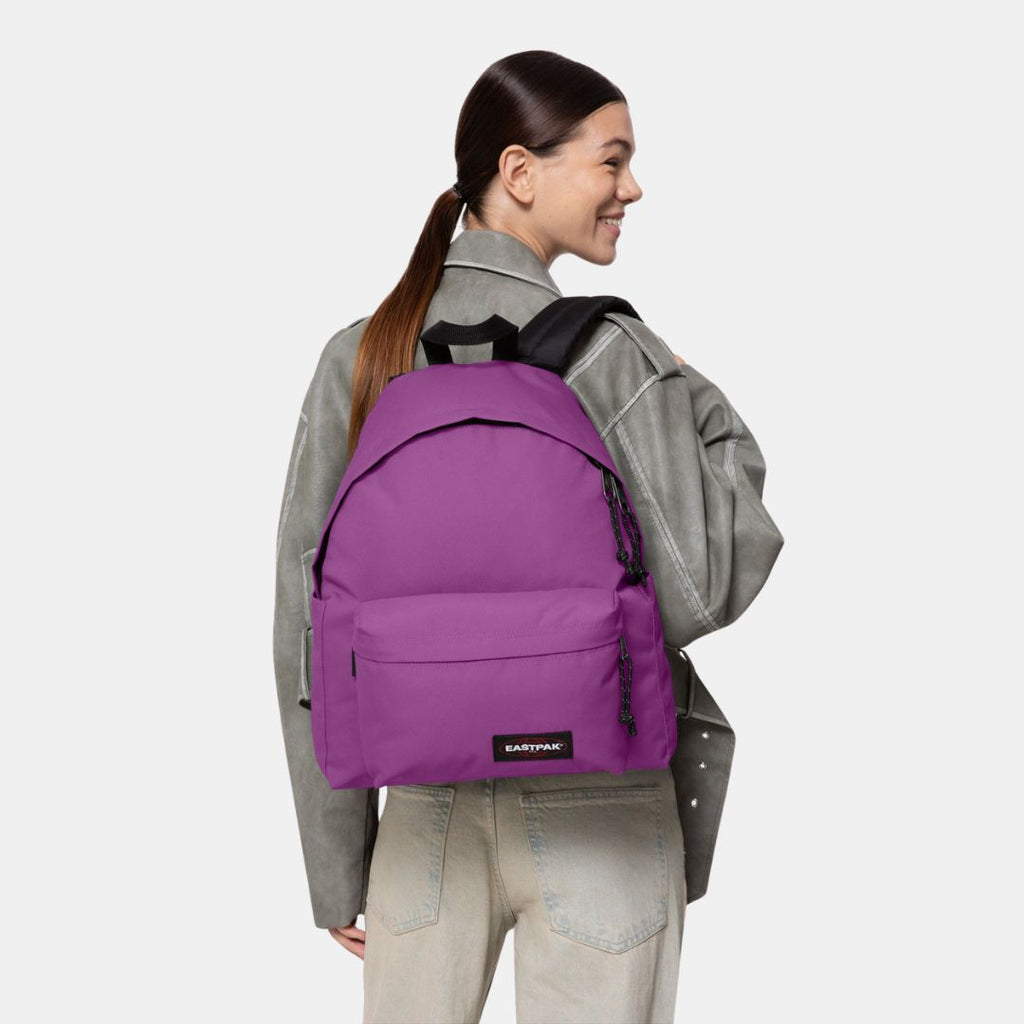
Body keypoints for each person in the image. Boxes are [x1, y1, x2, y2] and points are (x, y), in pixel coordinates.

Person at [273, 50, 783, 1023]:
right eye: (611, 160)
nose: (632, 188)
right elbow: (698, 590)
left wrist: (337, 862)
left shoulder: (362, 355)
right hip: (605, 804)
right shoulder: (611, 352)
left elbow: (305, 628)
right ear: (519, 172)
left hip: (422, 819)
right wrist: (689, 391)